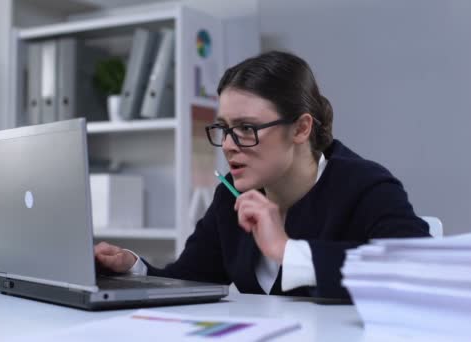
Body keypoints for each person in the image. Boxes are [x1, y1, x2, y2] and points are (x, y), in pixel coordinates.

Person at [94, 50, 429, 299]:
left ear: (300, 128)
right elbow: (189, 279)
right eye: (224, 129)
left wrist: (286, 250)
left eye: (247, 128)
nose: (228, 145)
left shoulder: (365, 185)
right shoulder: (232, 194)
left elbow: (420, 272)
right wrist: (133, 267)